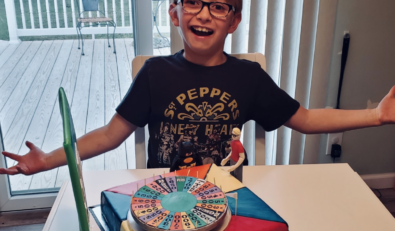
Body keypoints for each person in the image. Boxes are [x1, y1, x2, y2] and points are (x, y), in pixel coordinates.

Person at [1, 0, 395, 177]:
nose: (204, 13)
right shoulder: (154, 73)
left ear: (234, 21)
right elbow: (108, 135)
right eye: (192, 2)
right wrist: (49, 160)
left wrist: (376, 114)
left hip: (228, 201)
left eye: (219, 6)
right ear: (174, 13)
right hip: (165, 201)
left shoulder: (249, 77)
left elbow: (306, 118)